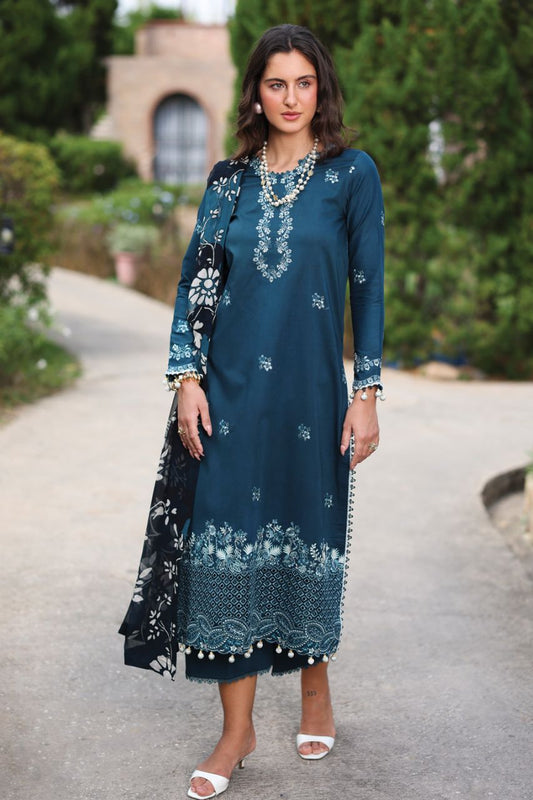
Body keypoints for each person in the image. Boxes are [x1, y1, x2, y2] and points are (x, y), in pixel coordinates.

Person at [119, 23, 384, 799]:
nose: (290, 98)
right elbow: (195, 281)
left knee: (305, 539)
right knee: (222, 553)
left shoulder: (350, 175)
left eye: (303, 83)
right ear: (256, 93)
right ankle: (237, 731)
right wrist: (185, 379)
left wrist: (366, 394)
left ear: (320, 89)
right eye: (276, 84)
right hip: (228, 396)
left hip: (311, 396)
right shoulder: (227, 180)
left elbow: (367, 289)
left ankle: (314, 689)